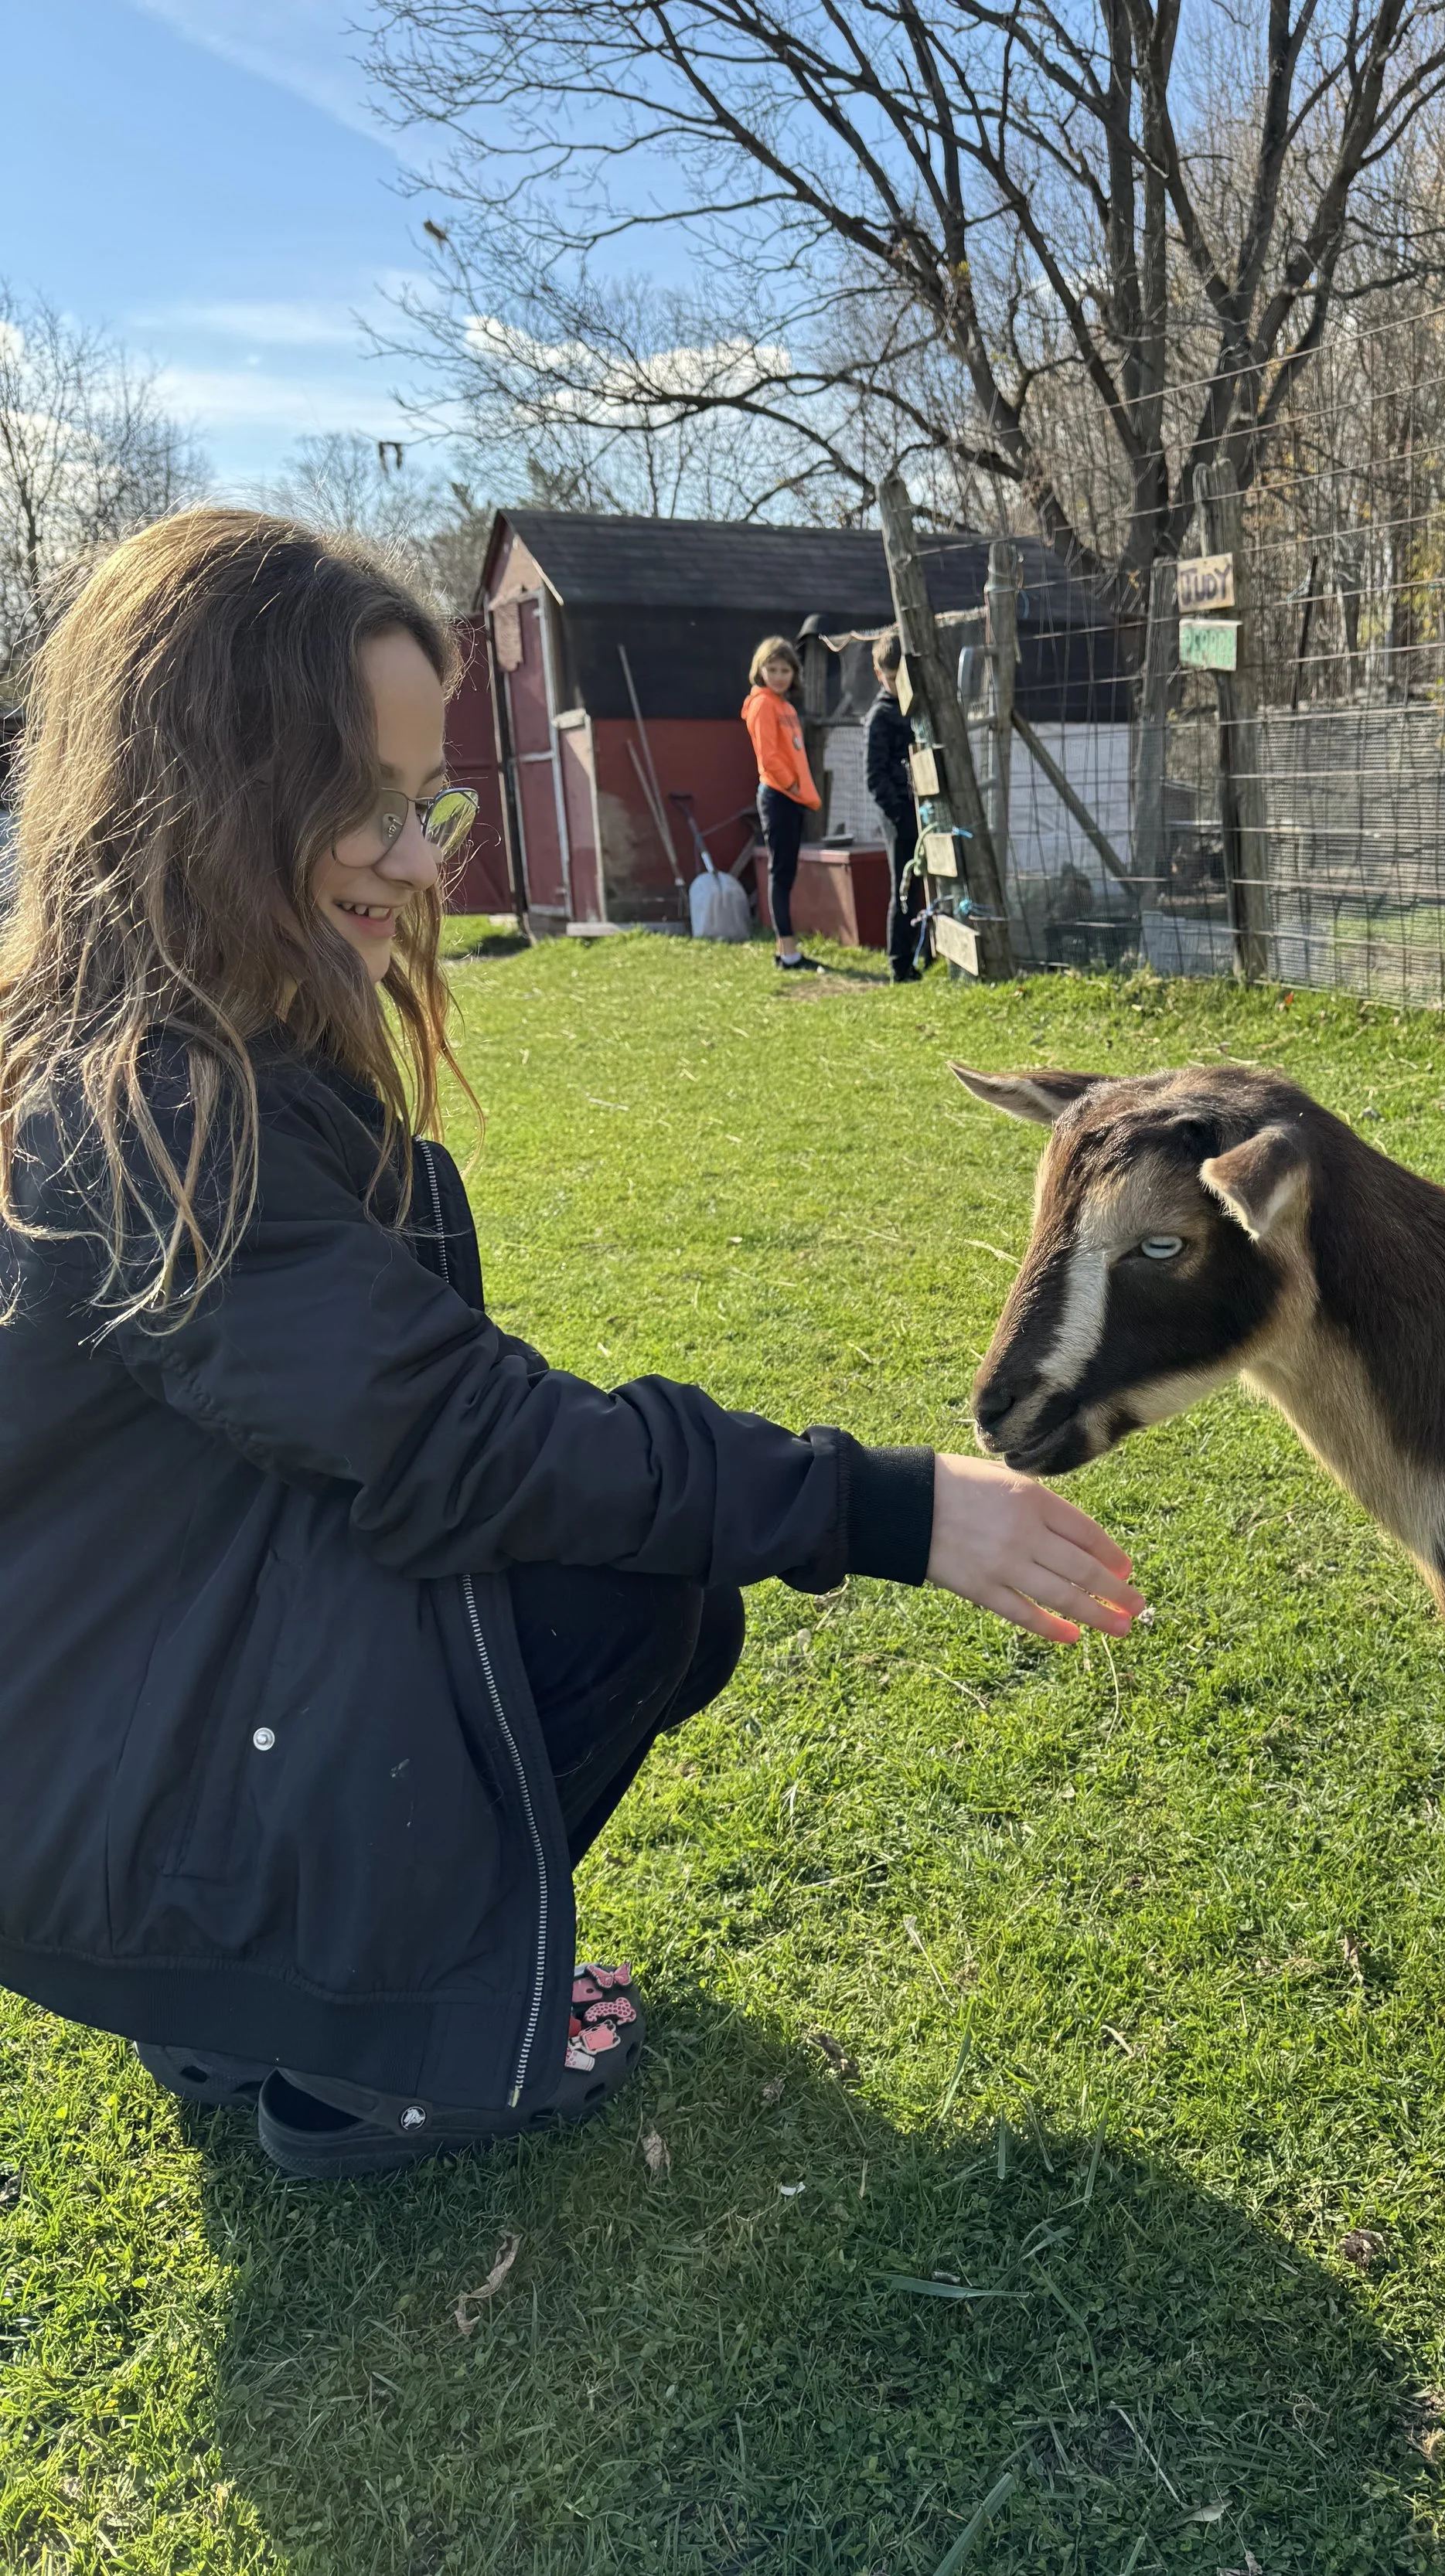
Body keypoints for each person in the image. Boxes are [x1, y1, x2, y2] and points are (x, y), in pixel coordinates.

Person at [0, 509, 1144, 2178]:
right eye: (361, 804)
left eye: (424, 800)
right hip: (101, 1786)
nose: (416, 857)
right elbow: (458, 1443)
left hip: (120, 1750)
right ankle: (361, 2070)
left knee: (622, 1582)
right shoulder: (151, 1111)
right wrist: (884, 1507)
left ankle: (243, 2003)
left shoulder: (182, 1050)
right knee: (626, 1592)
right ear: (206, 789)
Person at [740, 637, 821, 971]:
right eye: (771, 669)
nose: (778, 676)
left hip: (794, 797)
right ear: (759, 671)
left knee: (787, 871)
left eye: (784, 669)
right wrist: (790, 784)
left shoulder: (786, 707)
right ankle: (788, 952)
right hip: (778, 795)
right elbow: (769, 755)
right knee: (780, 871)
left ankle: (787, 949)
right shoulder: (762, 704)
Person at [864, 630, 922, 982]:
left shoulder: (916, 709)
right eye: (891, 679)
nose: (898, 685)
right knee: (902, 886)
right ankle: (899, 962)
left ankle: (925, 951)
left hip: (923, 808)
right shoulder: (880, 717)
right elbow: (874, 776)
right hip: (898, 814)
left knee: (925, 881)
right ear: (879, 675)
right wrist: (898, 813)